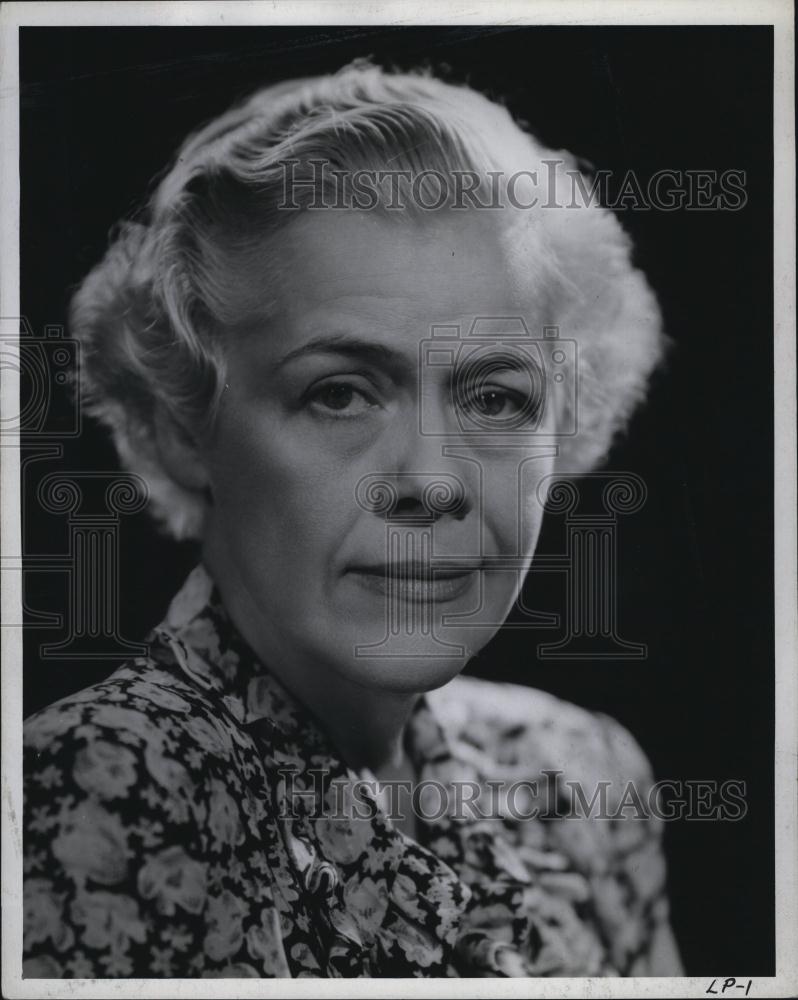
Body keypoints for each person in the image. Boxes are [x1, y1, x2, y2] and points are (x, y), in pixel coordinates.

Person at [23, 60, 682, 978]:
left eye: (495, 397)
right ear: (182, 425)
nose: (432, 481)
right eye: (339, 393)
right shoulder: (88, 796)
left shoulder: (577, 781)